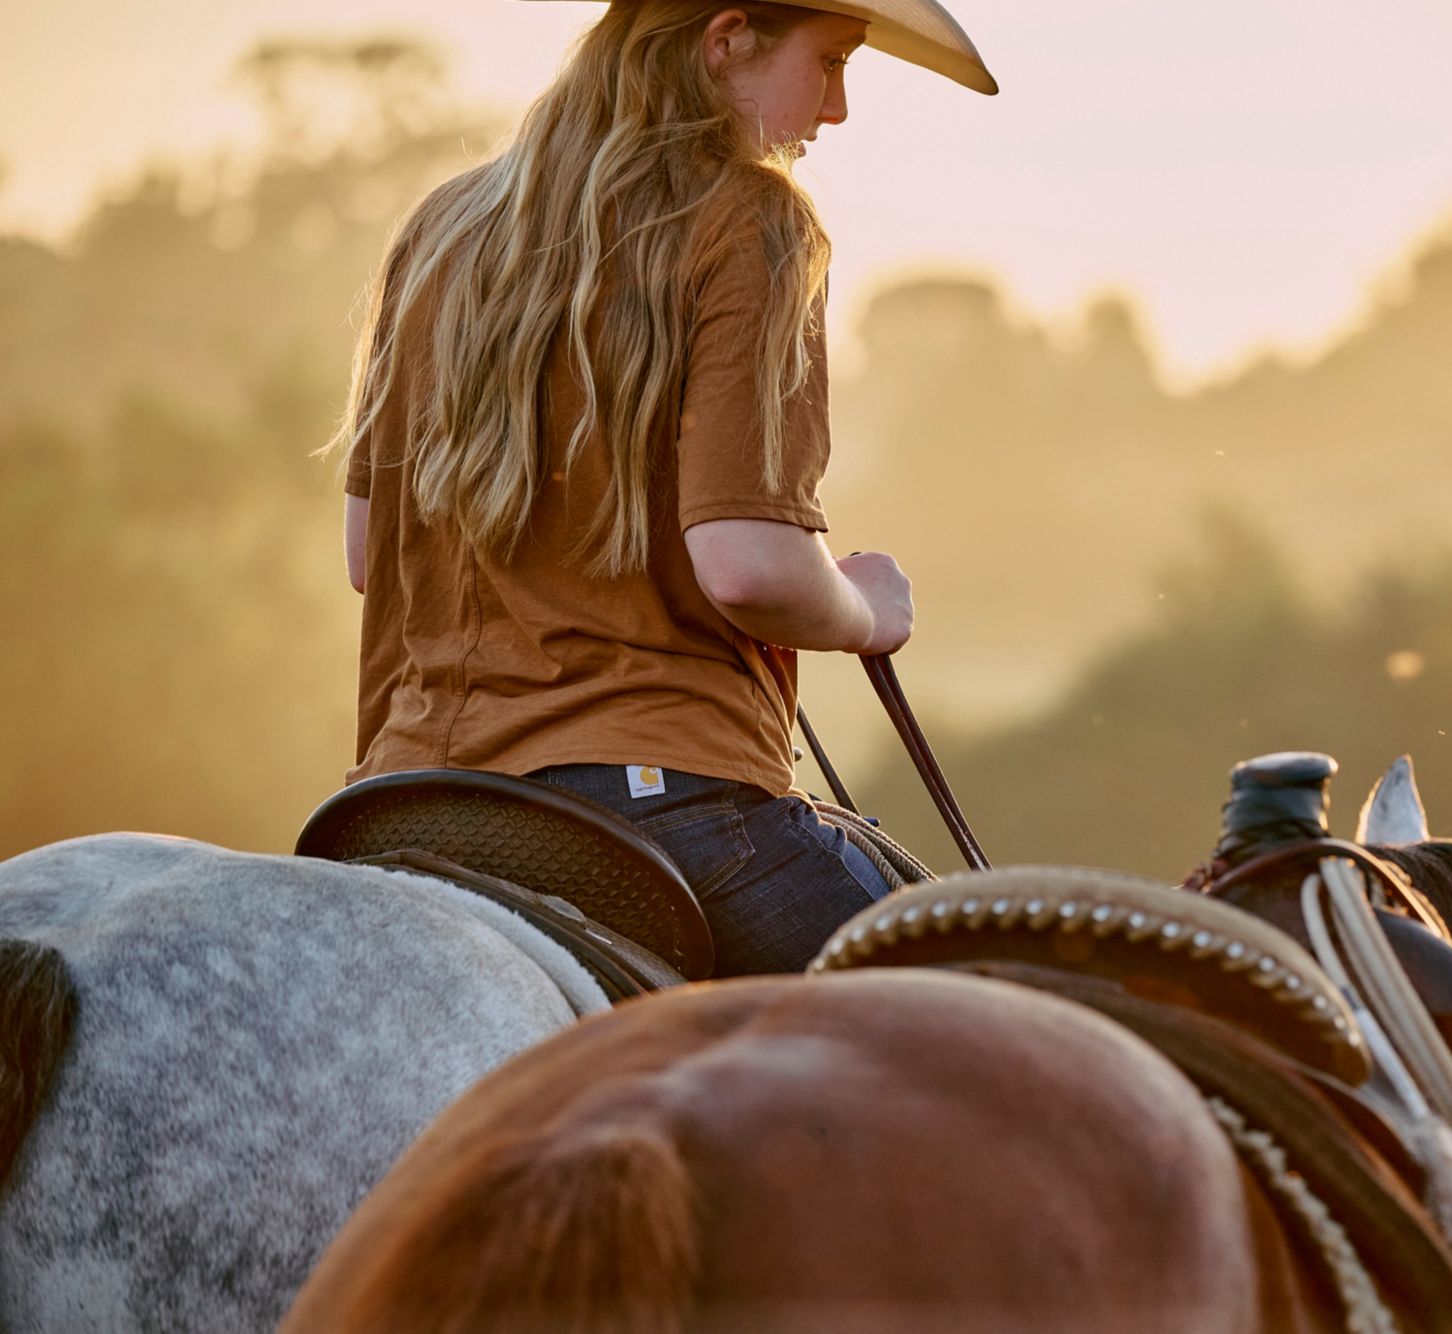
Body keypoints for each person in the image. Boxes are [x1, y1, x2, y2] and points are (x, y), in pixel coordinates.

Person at [331, 0, 996, 975]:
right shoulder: (752, 219)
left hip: (407, 800)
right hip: (657, 805)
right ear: (725, 42)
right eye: (829, 62)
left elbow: (368, 554)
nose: (838, 108)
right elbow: (747, 566)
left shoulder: (445, 224)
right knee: (982, 1016)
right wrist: (866, 610)